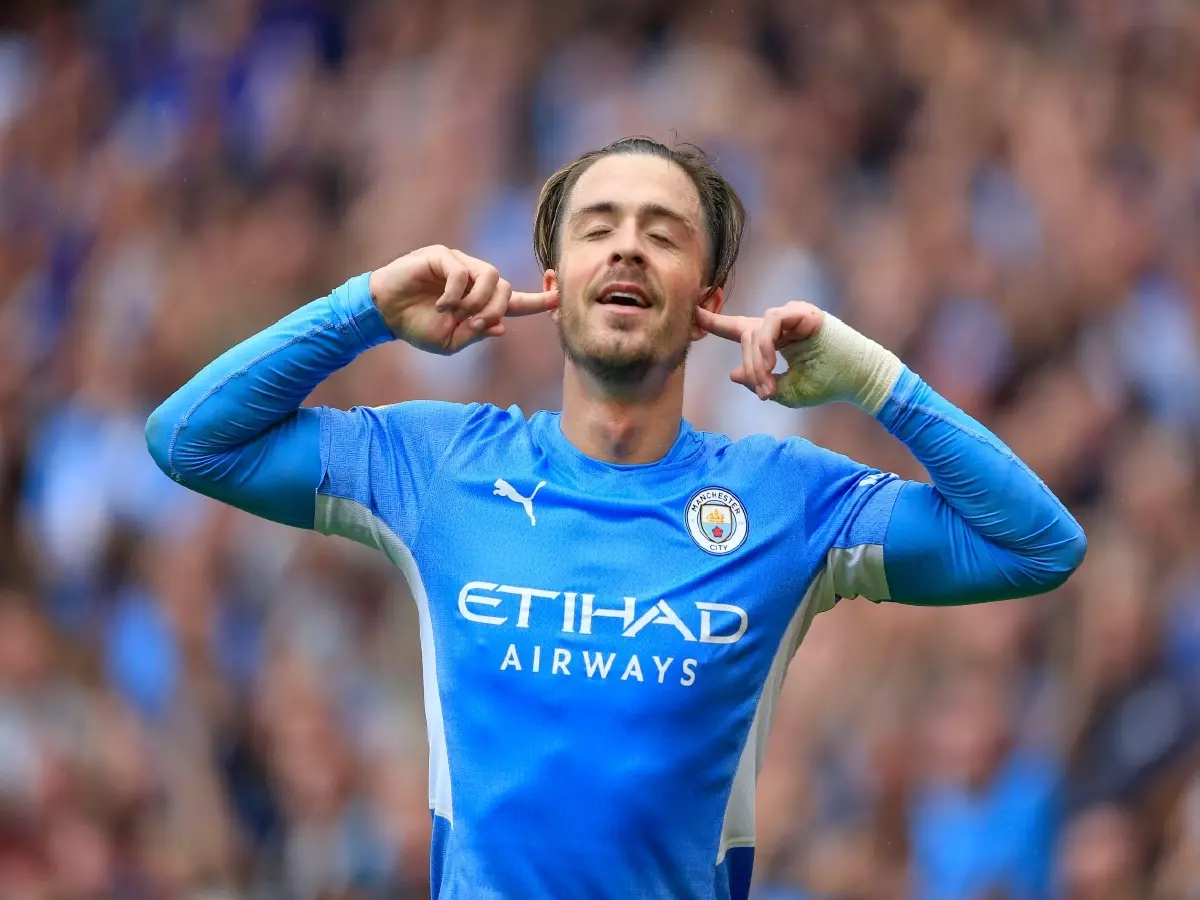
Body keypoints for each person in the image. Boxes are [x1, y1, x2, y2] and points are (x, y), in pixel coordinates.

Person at [145, 137, 1087, 900]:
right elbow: (191, 440)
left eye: (664, 234)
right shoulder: (437, 464)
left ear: (710, 301)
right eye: (599, 228)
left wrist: (875, 380)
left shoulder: (785, 499)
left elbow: (1037, 544)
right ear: (552, 283)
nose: (629, 246)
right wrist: (369, 308)